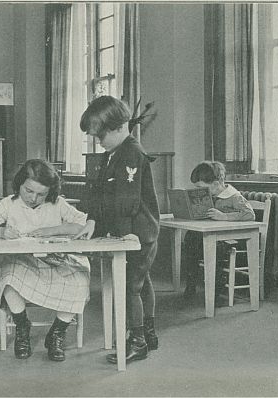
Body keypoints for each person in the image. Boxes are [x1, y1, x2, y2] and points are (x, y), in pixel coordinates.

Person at [0, 159, 91, 362]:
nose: (34, 198)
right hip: (21, 261)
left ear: (50, 191)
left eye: (41, 194)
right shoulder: (9, 204)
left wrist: (52, 230)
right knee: (8, 277)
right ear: (19, 185)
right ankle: (22, 325)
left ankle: (57, 333)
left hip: (55, 261)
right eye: (28, 191)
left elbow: (83, 224)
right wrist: (1, 232)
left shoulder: (57, 203)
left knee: (80, 280)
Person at [75, 95, 160, 365]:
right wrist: (91, 220)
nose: (98, 142)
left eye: (100, 136)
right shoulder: (113, 153)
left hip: (137, 231)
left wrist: (126, 234)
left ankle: (137, 342)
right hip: (130, 229)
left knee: (130, 286)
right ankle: (148, 333)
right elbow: (100, 193)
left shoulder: (132, 152)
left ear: (119, 127)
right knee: (140, 282)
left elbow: (127, 199)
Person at [182, 161, 255, 299]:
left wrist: (224, 216)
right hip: (214, 237)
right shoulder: (212, 195)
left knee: (217, 248)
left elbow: (250, 214)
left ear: (215, 184)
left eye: (200, 187)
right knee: (191, 237)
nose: (198, 191)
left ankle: (218, 293)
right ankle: (191, 284)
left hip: (231, 239)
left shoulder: (234, 196)